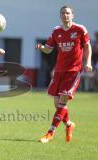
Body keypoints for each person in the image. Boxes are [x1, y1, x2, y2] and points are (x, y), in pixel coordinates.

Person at [36, 5, 92, 143]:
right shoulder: (56, 31)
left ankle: (50, 133)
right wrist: (42, 47)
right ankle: (68, 124)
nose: (65, 15)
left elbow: (87, 46)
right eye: (63, 13)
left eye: (68, 13)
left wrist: (88, 62)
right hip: (59, 70)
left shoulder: (80, 29)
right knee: (57, 104)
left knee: (62, 101)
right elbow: (48, 49)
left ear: (72, 15)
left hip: (73, 71)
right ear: (60, 16)